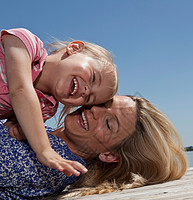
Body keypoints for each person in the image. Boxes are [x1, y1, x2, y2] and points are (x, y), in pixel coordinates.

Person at [0, 95, 187, 200]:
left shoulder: (53, 165)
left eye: (108, 124)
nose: (94, 111)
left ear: (109, 155)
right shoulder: (46, 137)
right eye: (103, 104)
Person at [0, 28, 118, 176]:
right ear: (74, 48)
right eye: (93, 77)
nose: (86, 90)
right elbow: (20, 90)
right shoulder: (27, 43)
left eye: (88, 98)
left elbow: (11, 125)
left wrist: (20, 130)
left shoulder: (46, 108)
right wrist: (44, 149)